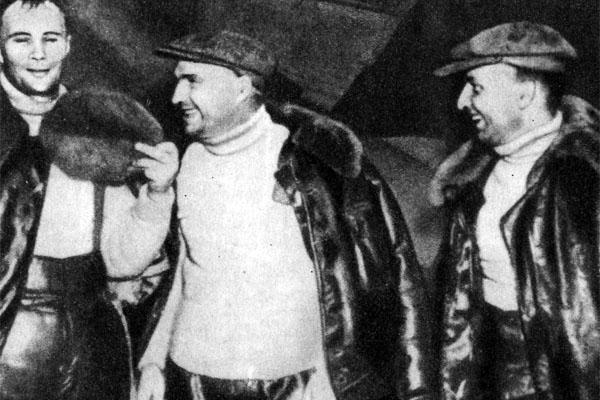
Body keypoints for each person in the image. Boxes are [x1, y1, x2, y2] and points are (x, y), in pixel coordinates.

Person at [137, 30, 434, 400]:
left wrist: (329, 374)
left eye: (193, 80)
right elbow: (184, 269)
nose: (176, 96)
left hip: (289, 384)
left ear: (242, 88)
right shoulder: (189, 161)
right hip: (190, 378)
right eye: (178, 80)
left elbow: (370, 277)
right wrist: (153, 359)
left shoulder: (311, 164)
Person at [0, 0, 179, 399]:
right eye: (21, 40)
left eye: (50, 39)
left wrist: (157, 193)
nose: (38, 54)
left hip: (93, 342)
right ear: (0, 49)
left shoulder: (96, 124)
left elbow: (122, 262)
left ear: (68, 45)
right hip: (9, 343)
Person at [431, 21, 599, 400]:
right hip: (487, 374)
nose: (462, 102)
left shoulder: (586, 177)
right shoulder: (473, 179)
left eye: (476, 87)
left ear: (525, 93)